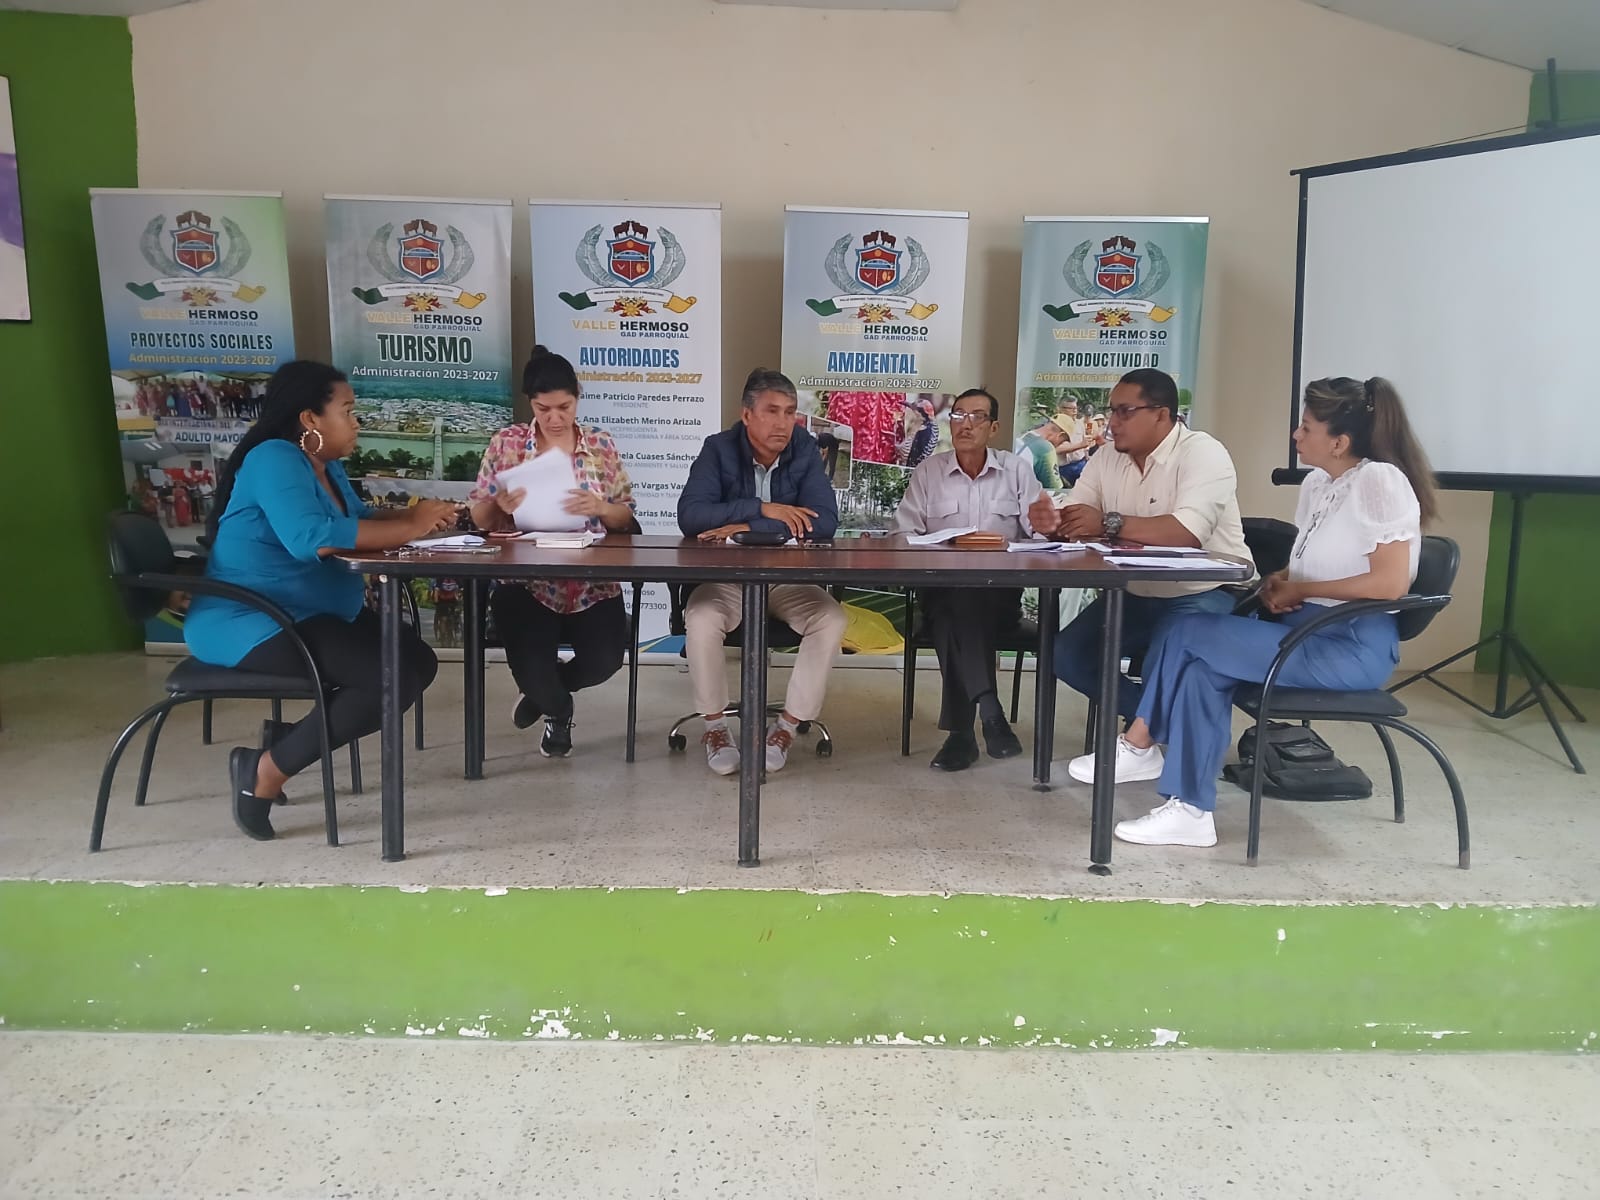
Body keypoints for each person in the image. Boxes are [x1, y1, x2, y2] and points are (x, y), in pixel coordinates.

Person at [1080, 376, 1437, 848]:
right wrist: (1283, 579)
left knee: (1186, 631)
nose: (1296, 435)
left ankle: (1140, 742)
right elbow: (1317, 558)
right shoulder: (1319, 483)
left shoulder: (1379, 481)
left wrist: (1302, 589)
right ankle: (1190, 811)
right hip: (1300, 631)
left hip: (1347, 645)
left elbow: (1390, 584)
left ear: (1339, 442)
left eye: (1306, 427)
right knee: (1201, 671)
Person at [184, 361, 455, 841]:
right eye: (347, 411)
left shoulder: (323, 463)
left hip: (311, 611)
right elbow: (310, 537)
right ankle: (264, 772)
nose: (356, 422)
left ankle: (288, 740)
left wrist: (421, 517)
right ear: (310, 418)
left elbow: (359, 517)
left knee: (417, 662)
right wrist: (410, 526)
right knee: (388, 680)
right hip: (253, 616)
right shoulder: (274, 457)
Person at [1030, 367, 1251, 726]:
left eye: (1125, 411)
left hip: (1204, 591)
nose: (1112, 422)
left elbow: (1187, 533)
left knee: (1161, 665)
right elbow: (1078, 517)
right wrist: (1053, 525)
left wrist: (1107, 523)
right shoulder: (1107, 457)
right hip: (1134, 592)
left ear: (1161, 414)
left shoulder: (1203, 453)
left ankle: (1149, 735)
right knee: (1068, 655)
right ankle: (1154, 727)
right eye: (1112, 410)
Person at [468, 347, 638, 758]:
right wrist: (498, 505)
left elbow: (626, 516)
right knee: (537, 678)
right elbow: (479, 517)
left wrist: (600, 507)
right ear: (530, 403)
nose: (555, 418)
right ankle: (557, 710)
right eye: (543, 409)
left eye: (564, 407)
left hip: (592, 582)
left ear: (578, 395)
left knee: (604, 662)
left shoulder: (600, 444)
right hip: (526, 582)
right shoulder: (507, 443)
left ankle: (545, 691)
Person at [678, 368, 846, 776]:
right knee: (701, 618)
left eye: (790, 412)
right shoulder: (718, 449)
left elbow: (824, 521)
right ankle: (715, 728)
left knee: (831, 618)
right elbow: (692, 516)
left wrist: (743, 525)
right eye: (772, 411)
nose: (783, 422)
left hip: (788, 579)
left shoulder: (804, 449)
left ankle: (786, 727)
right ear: (747, 415)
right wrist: (763, 509)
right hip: (727, 578)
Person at [892, 387, 1040, 770]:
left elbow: (1040, 536)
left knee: (956, 614)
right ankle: (990, 713)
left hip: (999, 598)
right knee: (955, 602)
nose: (965, 424)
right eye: (958, 415)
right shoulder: (929, 472)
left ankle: (962, 736)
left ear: (994, 428)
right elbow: (902, 535)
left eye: (977, 416)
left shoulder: (1016, 470)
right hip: (940, 591)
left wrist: (1034, 534)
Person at [1014, 415, 1074, 491]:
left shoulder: (1023, 435)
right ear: (1060, 435)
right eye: (1062, 441)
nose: (1060, 445)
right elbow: (1054, 488)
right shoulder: (1046, 449)